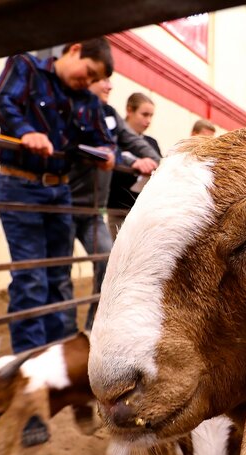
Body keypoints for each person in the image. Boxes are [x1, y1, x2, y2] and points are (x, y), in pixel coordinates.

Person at [0, 38, 115, 353]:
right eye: (89, 71)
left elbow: (105, 138)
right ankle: (30, 359)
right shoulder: (26, 67)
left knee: (59, 275)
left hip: (60, 189)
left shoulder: (86, 101)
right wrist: (24, 131)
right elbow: (0, 100)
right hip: (20, 183)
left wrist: (106, 151)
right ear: (74, 49)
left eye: (95, 79)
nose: (88, 81)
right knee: (31, 276)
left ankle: (56, 356)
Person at [67, 78, 160, 331]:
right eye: (101, 78)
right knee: (59, 272)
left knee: (108, 264)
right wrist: (126, 160)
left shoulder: (108, 115)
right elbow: (84, 147)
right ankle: (63, 333)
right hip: (69, 204)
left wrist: (162, 164)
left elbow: (128, 143)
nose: (109, 86)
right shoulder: (70, 108)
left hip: (97, 209)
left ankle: (91, 328)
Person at [107, 93, 162, 239]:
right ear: (129, 110)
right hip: (118, 208)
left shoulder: (152, 143)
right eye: (144, 114)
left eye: (151, 116)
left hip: (144, 212)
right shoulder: (114, 139)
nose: (148, 120)